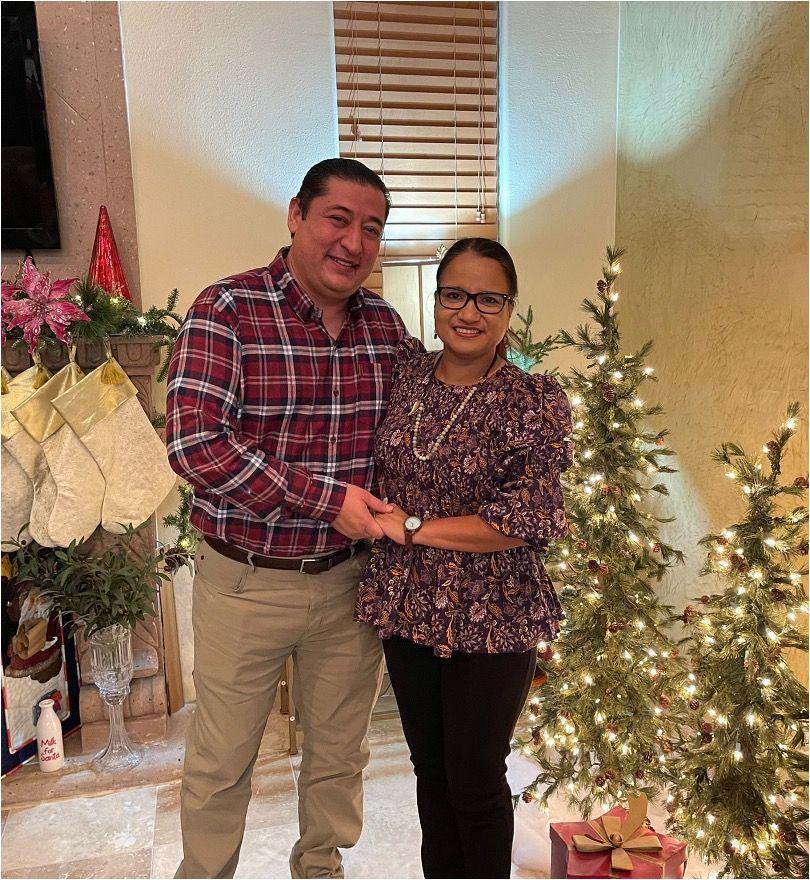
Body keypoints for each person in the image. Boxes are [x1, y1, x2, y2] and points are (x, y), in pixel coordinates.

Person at [166, 158, 413, 879]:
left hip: (351, 585)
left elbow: (414, 439)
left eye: (372, 229)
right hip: (246, 582)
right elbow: (194, 444)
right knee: (222, 760)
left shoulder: (387, 329)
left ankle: (321, 869)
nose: (354, 243)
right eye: (338, 219)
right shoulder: (228, 310)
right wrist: (326, 499)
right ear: (296, 215)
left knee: (340, 757)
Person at [355, 237, 573, 879]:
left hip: (493, 616)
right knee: (429, 773)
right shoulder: (405, 377)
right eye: (454, 294)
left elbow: (529, 519)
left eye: (488, 298)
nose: (468, 312)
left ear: (508, 309)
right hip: (409, 606)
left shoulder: (535, 401)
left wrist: (415, 528)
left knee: (476, 779)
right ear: (436, 299)